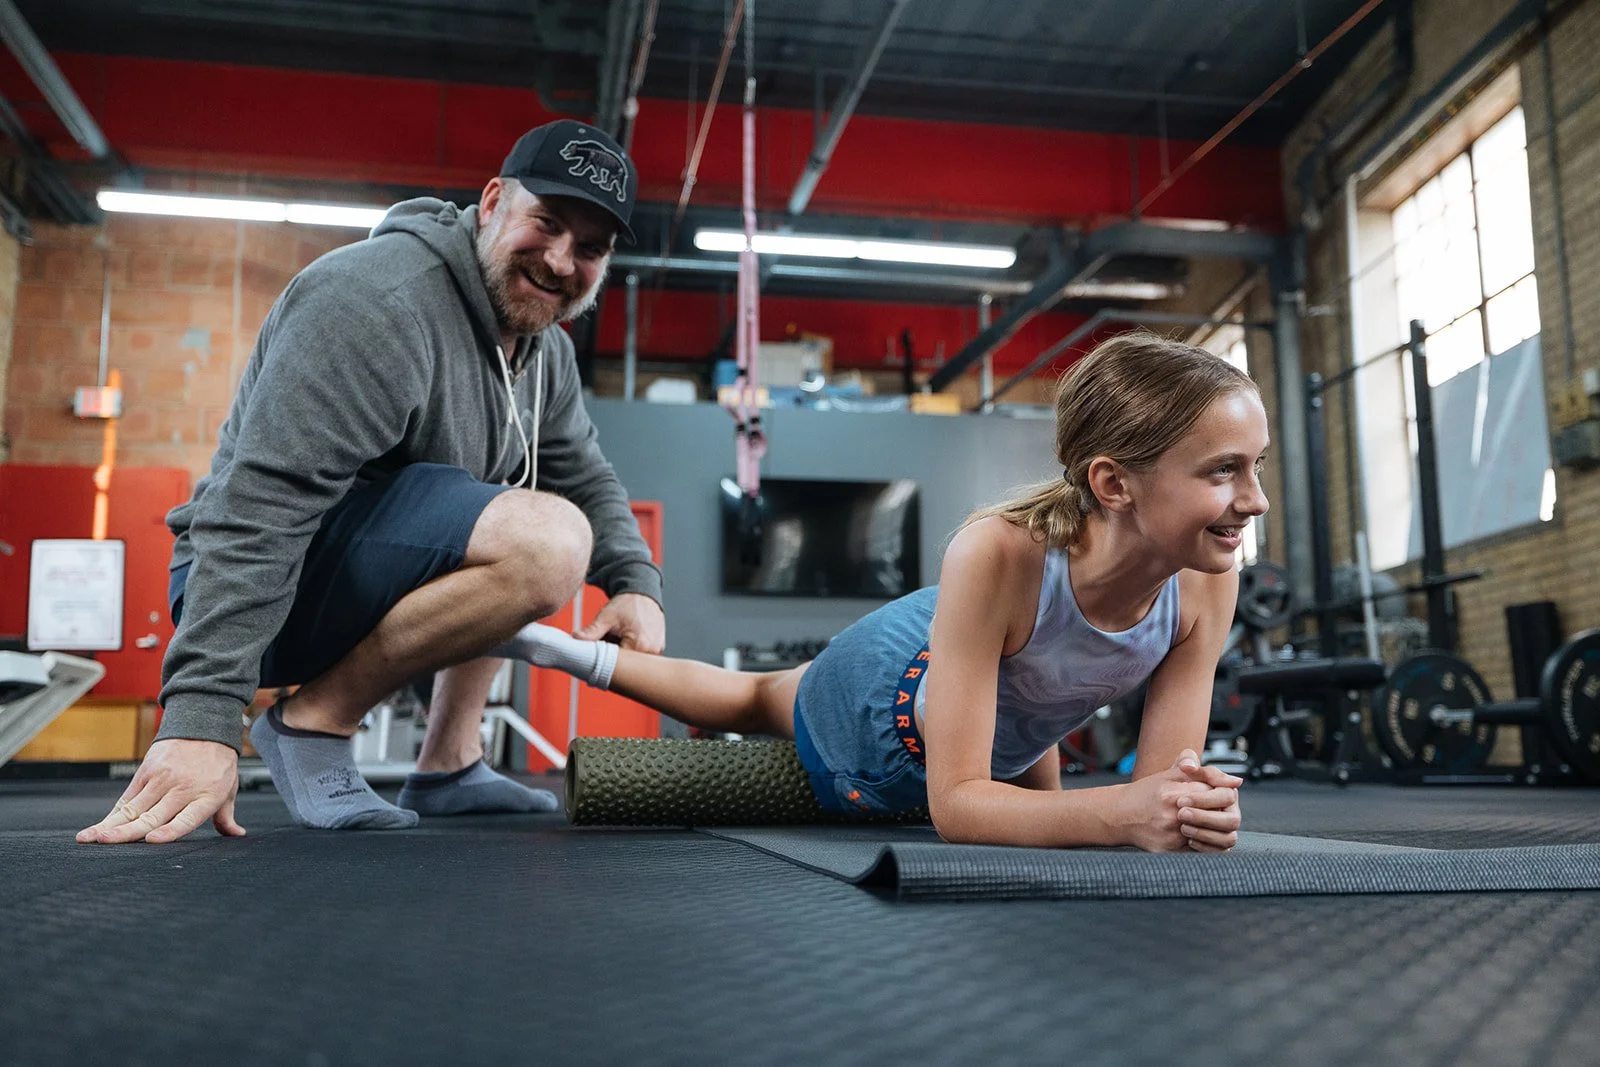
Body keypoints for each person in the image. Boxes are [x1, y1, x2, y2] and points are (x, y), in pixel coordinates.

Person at [79, 120, 665, 845]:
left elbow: (584, 470)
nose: (559, 260)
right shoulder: (375, 303)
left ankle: (449, 762)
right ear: (490, 204)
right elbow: (262, 506)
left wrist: (635, 580)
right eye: (545, 223)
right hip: (261, 586)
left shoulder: (543, 353)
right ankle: (312, 724)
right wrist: (202, 715)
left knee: (521, 503)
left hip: (361, 571)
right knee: (545, 540)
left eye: (590, 249)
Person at [511, 333, 1266, 850]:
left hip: (970, 668)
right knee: (760, 698)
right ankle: (565, 649)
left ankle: (564, 651)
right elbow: (960, 805)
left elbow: (1163, 793)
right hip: (877, 699)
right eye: (1223, 470)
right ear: (1113, 483)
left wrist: (1185, 808)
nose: (1255, 498)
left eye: (1255, 466)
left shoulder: (1206, 584)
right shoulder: (996, 551)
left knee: (754, 694)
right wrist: (1117, 813)